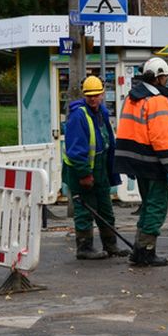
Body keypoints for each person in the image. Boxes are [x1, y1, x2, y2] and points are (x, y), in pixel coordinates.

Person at [114, 56, 168, 267]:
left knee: (148, 205)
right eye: (164, 76)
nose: (166, 80)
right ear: (157, 78)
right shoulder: (158, 101)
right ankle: (146, 251)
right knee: (156, 207)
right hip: (155, 163)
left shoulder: (132, 97)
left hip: (138, 161)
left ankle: (139, 249)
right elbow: (160, 137)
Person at [62, 75, 127, 260]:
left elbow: (107, 140)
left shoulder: (101, 113)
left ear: (102, 94)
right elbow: (75, 150)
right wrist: (84, 174)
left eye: (96, 94)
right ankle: (84, 247)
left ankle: (110, 245)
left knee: (105, 208)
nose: (93, 98)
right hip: (82, 170)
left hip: (100, 169)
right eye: (89, 95)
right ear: (84, 95)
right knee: (85, 209)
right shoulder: (78, 116)